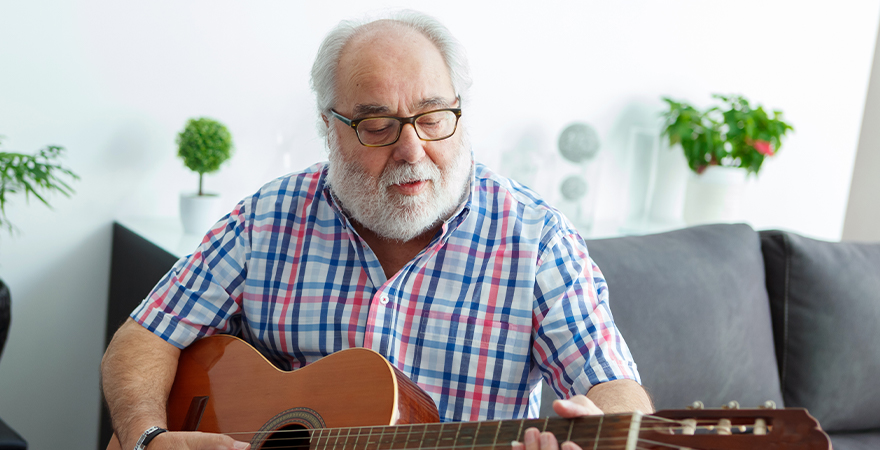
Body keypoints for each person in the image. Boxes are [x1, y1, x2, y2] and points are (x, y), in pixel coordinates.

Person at [101, 10, 653, 450]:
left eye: (434, 117)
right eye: (378, 126)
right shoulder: (266, 220)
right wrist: (148, 439)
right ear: (331, 128)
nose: (412, 151)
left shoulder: (538, 242)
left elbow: (615, 387)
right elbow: (143, 338)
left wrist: (599, 427)